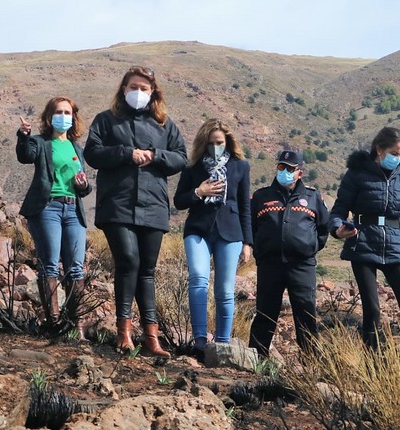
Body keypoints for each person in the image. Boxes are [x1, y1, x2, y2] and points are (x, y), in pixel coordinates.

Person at [85, 66, 187, 358]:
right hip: (117, 204)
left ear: (153, 92)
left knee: (147, 270)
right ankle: (124, 331)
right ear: (123, 89)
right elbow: (92, 153)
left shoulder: (164, 124)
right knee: (128, 260)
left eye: (144, 88)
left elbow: (180, 157)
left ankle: (152, 337)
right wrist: (125, 153)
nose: (138, 92)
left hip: (153, 205)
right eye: (133, 87)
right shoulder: (106, 120)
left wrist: (156, 156)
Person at [330, 127, 400, 348]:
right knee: (372, 309)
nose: (398, 158)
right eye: (394, 153)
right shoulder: (357, 174)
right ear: (380, 150)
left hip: (395, 244)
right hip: (362, 244)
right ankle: (373, 361)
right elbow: (339, 209)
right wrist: (337, 229)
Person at [173, 119, 252, 356]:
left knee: (225, 289)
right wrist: (199, 192)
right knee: (198, 278)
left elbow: (244, 206)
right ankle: (199, 339)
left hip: (230, 231)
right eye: (210, 143)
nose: (215, 147)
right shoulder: (192, 167)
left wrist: (248, 242)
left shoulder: (241, 166)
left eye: (219, 142)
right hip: (198, 229)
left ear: (228, 141)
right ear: (203, 143)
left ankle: (222, 343)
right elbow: (178, 201)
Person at [16, 96, 92, 332]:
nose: (63, 116)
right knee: (49, 266)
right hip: (47, 208)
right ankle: (55, 323)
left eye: (68, 113)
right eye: (59, 112)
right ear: (50, 117)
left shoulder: (75, 148)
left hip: (73, 208)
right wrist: (23, 136)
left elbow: (85, 186)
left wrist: (83, 185)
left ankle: (76, 325)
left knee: (76, 267)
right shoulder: (40, 143)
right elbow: (25, 156)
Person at [248, 150, 330, 358]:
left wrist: (308, 247)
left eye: (290, 169)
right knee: (265, 313)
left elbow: (323, 229)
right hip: (269, 264)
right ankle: (256, 360)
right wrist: (260, 249)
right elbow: (251, 226)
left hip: (302, 265)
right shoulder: (261, 196)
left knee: (305, 313)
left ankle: (311, 363)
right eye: (281, 167)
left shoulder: (312, 197)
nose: (284, 171)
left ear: (299, 173)